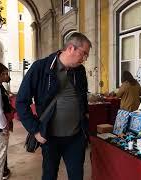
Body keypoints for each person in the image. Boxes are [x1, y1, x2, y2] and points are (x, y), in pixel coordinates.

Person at [16, 32, 91, 180]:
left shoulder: (80, 71)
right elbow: (21, 102)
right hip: (50, 137)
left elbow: (82, 97)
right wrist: (35, 130)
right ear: (71, 48)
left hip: (76, 138)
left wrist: (85, 117)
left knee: (77, 176)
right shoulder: (41, 67)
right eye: (84, 54)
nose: (84, 59)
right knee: (49, 175)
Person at [0, 65, 14, 179]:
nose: (7, 76)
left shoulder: (0, 87)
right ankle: (3, 171)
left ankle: (4, 169)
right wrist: (4, 127)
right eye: (5, 74)